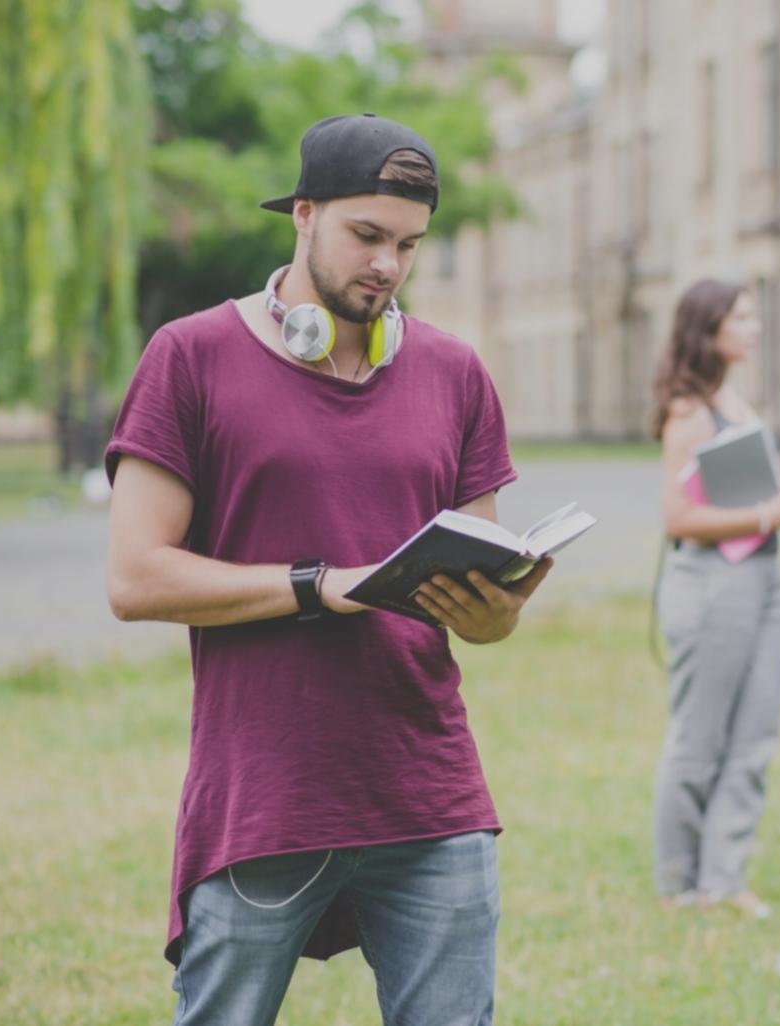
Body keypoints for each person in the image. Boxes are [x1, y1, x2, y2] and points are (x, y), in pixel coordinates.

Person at [105, 113, 551, 1025]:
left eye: (410, 244)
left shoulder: (455, 373)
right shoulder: (188, 357)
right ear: (303, 215)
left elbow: (488, 607)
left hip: (432, 792)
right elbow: (136, 578)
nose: (388, 264)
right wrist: (321, 584)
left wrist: (495, 608)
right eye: (367, 235)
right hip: (266, 796)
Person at [648, 279, 780, 918]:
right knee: (699, 739)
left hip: (765, 582)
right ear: (708, 329)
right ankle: (677, 885)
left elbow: (736, 488)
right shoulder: (689, 412)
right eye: (742, 317)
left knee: (754, 736)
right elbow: (678, 517)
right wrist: (769, 512)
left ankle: (724, 878)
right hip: (712, 586)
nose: (755, 326)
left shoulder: (733, 398)